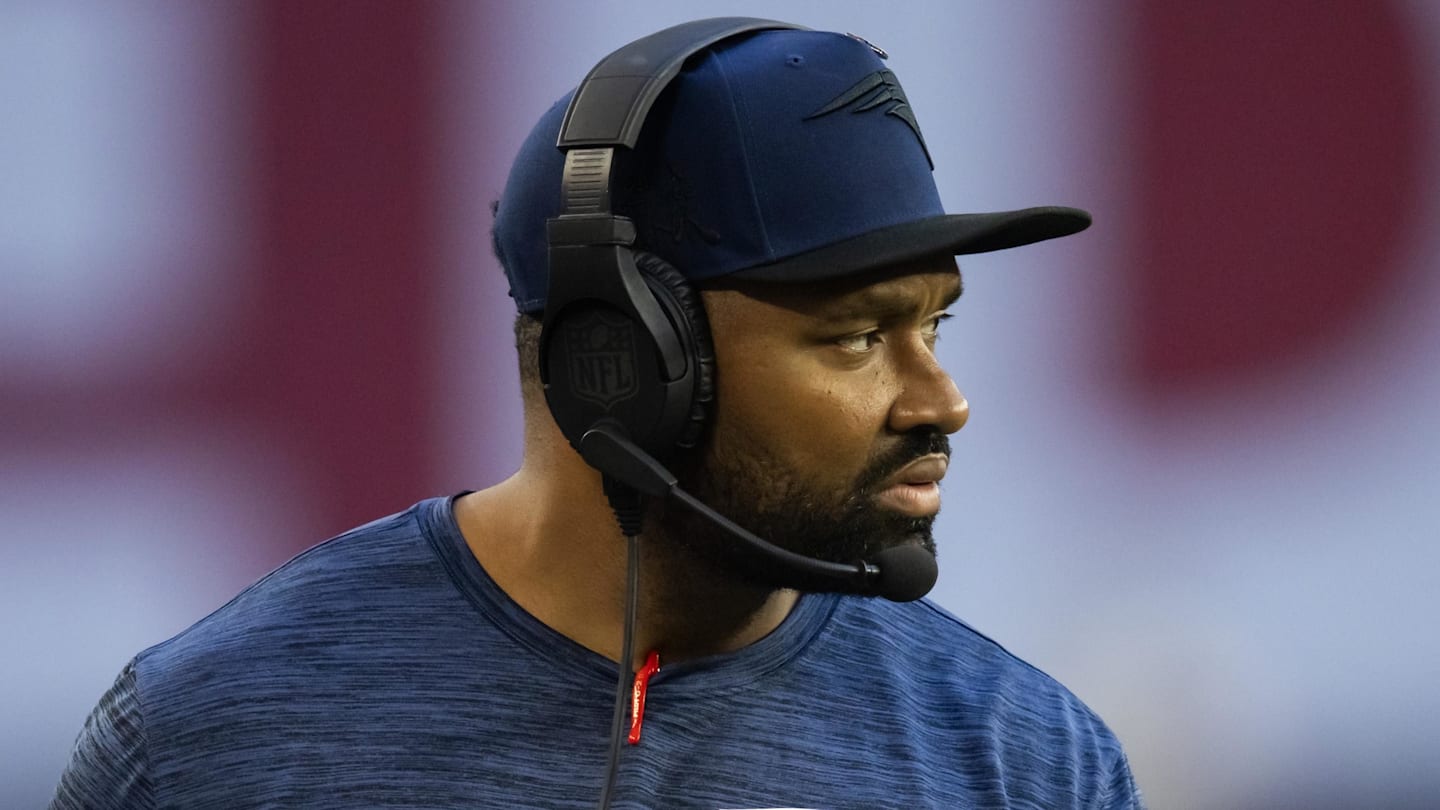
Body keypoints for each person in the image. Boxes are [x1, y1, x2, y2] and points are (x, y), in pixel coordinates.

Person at [51, 19, 1143, 809]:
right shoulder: (215, 738)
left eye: (935, 326)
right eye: (857, 336)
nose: (941, 399)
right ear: (621, 364)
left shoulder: (1026, 763)